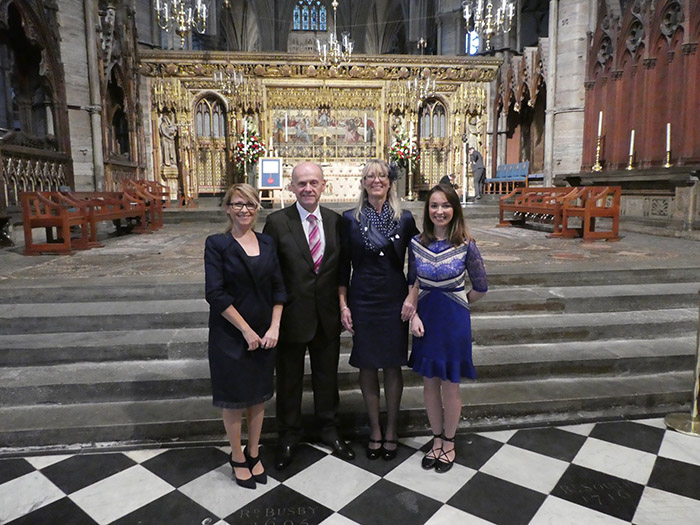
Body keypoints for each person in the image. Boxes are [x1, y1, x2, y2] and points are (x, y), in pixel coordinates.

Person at [263, 161, 355, 470]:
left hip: (326, 314)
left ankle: (329, 429)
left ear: (324, 186)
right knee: (288, 381)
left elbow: (343, 267)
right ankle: (288, 435)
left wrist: (343, 305)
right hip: (290, 317)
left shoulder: (335, 221)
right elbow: (271, 272)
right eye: (301, 183)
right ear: (291, 187)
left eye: (313, 182)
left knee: (327, 378)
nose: (307, 188)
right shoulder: (277, 223)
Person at [204, 183, 286, 489]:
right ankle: (237, 455)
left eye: (250, 205)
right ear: (227, 208)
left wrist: (274, 326)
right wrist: (246, 330)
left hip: (265, 332)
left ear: (257, 208)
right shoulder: (217, 244)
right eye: (238, 204)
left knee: (259, 396)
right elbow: (215, 293)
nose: (244, 210)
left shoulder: (267, 243)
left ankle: (254, 452)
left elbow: (279, 287)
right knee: (234, 398)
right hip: (231, 333)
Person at [339, 159, 419, 461]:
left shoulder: (405, 218)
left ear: (390, 182)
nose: (376, 180)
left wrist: (413, 297)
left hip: (394, 296)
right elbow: (342, 268)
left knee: (392, 364)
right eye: (370, 176)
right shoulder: (349, 219)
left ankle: (391, 429)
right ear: (363, 183)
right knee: (368, 364)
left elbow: (419, 261)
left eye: (381, 176)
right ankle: (374, 428)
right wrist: (343, 305)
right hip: (362, 298)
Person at [408, 183, 488, 473]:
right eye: (434, 206)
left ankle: (450, 442)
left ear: (454, 210)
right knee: (429, 383)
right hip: (425, 320)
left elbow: (481, 286)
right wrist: (413, 315)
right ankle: (436, 439)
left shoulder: (466, 245)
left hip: (454, 321)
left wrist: (459, 302)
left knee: (450, 385)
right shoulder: (417, 244)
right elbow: (412, 284)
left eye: (445, 206)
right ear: (427, 210)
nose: (439, 211)